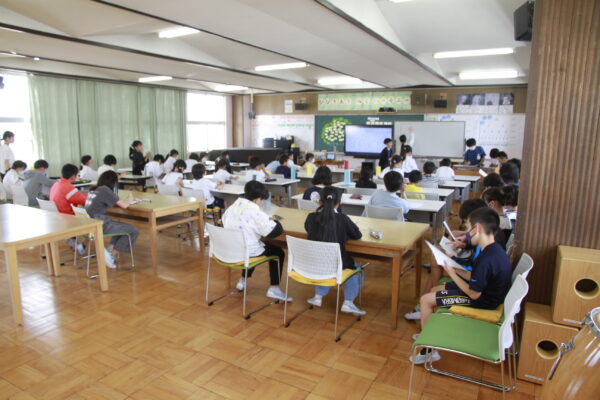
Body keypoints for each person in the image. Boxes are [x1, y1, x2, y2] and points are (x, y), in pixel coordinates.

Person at [410, 207, 512, 364]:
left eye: (468, 228)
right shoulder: (494, 250)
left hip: (482, 301)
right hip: (486, 294)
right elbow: (474, 276)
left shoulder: (486, 259)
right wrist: (455, 269)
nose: (466, 234)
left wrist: (451, 273)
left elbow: (473, 294)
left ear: (477, 229)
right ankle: (431, 332)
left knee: (425, 300)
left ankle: (429, 350)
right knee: (435, 290)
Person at [222, 180, 291, 301]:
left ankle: (242, 281)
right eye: (262, 200)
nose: (262, 202)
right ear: (257, 199)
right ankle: (274, 288)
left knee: (256, 244)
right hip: (246, 252)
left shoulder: (233, 206)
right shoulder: (255, 211)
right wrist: (274, 220)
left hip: (230, 250)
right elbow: (275, 232)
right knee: (278, 252)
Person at [304, 186, 366, 315]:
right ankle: (348, 302)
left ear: (320, 201)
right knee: (356, 270)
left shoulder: (311, 217)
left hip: (315, 263)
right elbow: (357, 235)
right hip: (337, 264)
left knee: (325, 263)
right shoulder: (342, 219)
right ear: (339, 202)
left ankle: (318, 296)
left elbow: (308, 229)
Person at [85, 170, 139, 269]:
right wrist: (130, 198)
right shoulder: (105, 190)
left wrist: (123, 201)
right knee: (133, 230)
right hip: (101, 224)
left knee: (121, 228)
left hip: (91, 223)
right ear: (112, 182)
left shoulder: (94, 189)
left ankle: (108, 252)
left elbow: (112, 203)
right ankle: (111, 254)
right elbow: (124, 205)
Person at [49, 164, 88, 254]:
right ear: (73, 176)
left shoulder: (56, 184)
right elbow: (83, 201)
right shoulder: (68, 187)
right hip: (67, 218)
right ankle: (80, 245)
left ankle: (72, 241)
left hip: (56, 217)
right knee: (95, 220)